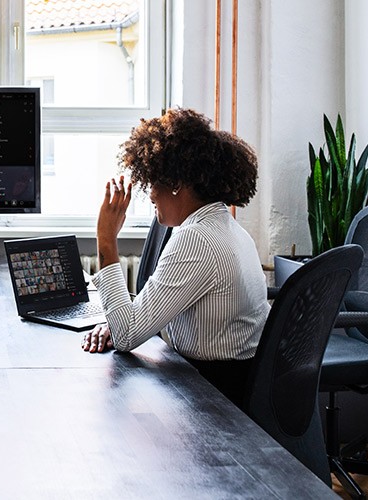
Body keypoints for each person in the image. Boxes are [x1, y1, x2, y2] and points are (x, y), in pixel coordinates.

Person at [81, 107, 268, 409]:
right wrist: (120, 321)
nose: (150, 193)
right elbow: (144, 321)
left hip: (211, 396)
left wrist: (106, 239)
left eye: (153, 181)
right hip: (224, 380)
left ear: (176, 183)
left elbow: (127, 335)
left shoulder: (196, 240)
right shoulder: (223, 225)